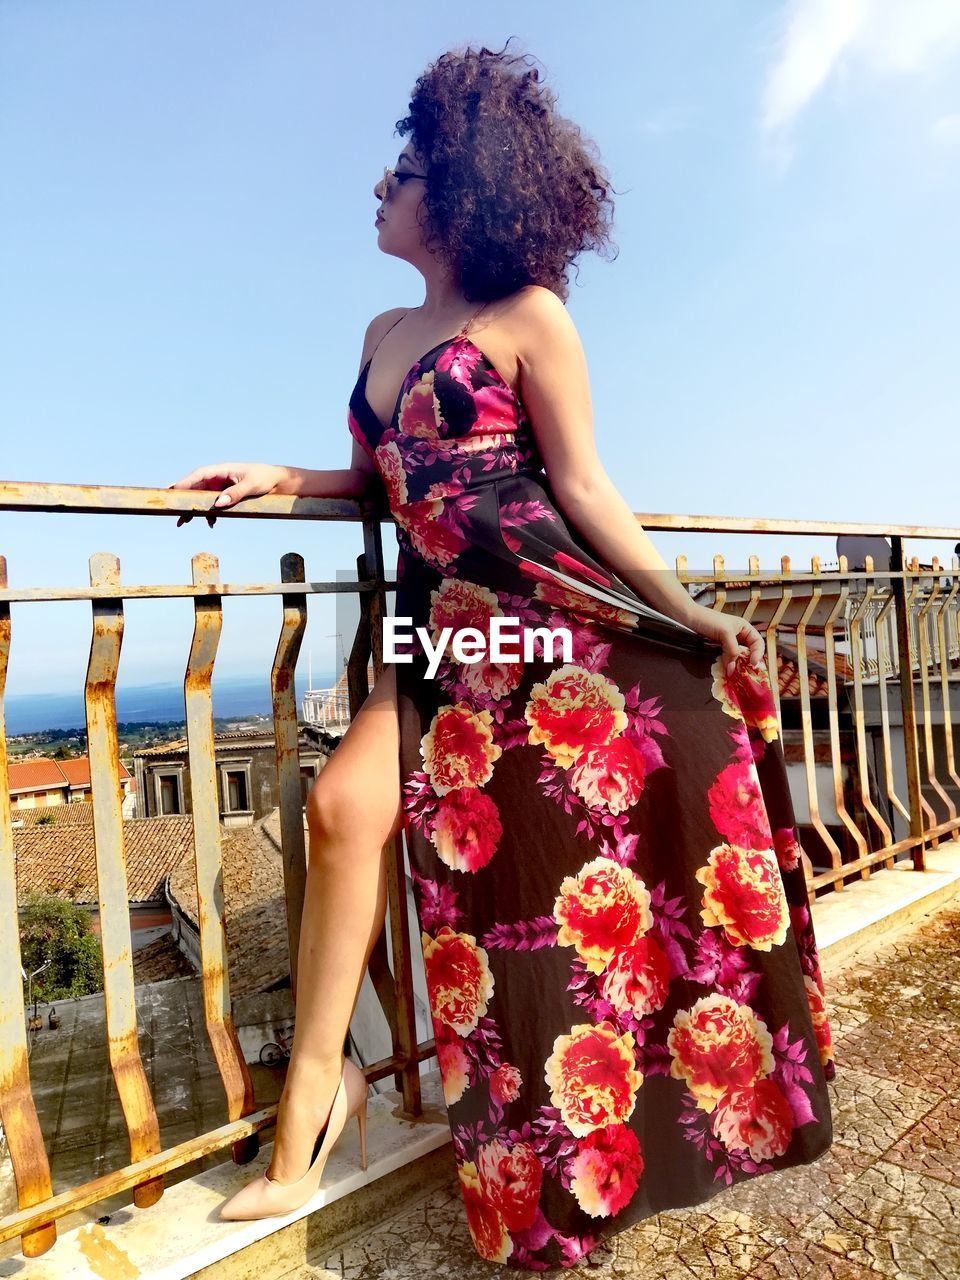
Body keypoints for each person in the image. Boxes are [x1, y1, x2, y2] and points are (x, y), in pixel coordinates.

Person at [170, 39, 836, 1271]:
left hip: (546, 615)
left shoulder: (531, 318)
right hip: (434, 628)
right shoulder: (383, 326)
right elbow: (390, 477)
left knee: (553, 871)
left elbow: (583, 487)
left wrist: (688, 615)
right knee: (339, 807)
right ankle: (328, 1090)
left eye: (406, 167)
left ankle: (418, 1115)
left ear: (461, 188)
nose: (384, 185)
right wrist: (288, 475)